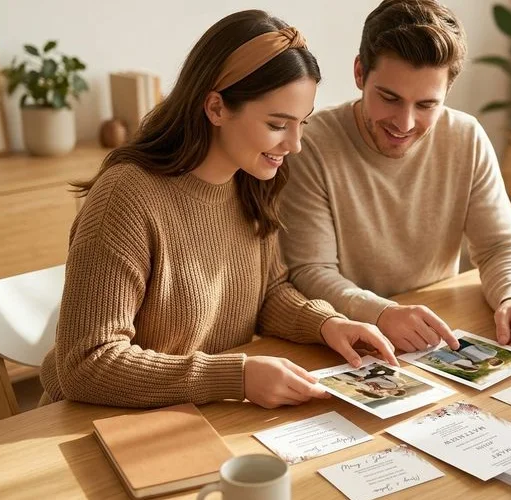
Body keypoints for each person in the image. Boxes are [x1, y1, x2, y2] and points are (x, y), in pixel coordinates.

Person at [38, 10, 397, 410]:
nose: (294, 144)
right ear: (216, 108)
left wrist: (328, 324)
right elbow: (87, 364)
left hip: (197, 415)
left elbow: (268, 292)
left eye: (302, 123)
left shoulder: (250, 181)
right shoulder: (126, 198)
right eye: (278, 124)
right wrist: (236, 376)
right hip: (98, 423)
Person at [280, 0, 511, 353]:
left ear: (447, 93)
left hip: (436, 335)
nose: (404, 124)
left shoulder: (466, 137)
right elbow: (310, 271)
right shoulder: (311, 143)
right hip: (349, 341)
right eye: (389, 98)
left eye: (426, 105)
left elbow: (501, 246)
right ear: (360, 73)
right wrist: (382, 312)